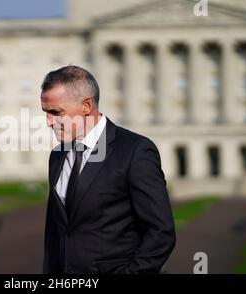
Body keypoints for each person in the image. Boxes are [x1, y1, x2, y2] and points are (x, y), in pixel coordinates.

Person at [41, 65, 176, 274]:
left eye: (55, 112)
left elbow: (160, 232)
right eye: (46, 113)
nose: (49, 122)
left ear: (86, 106)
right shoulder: (57, 156)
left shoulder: (135, 151)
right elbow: (54, 233)